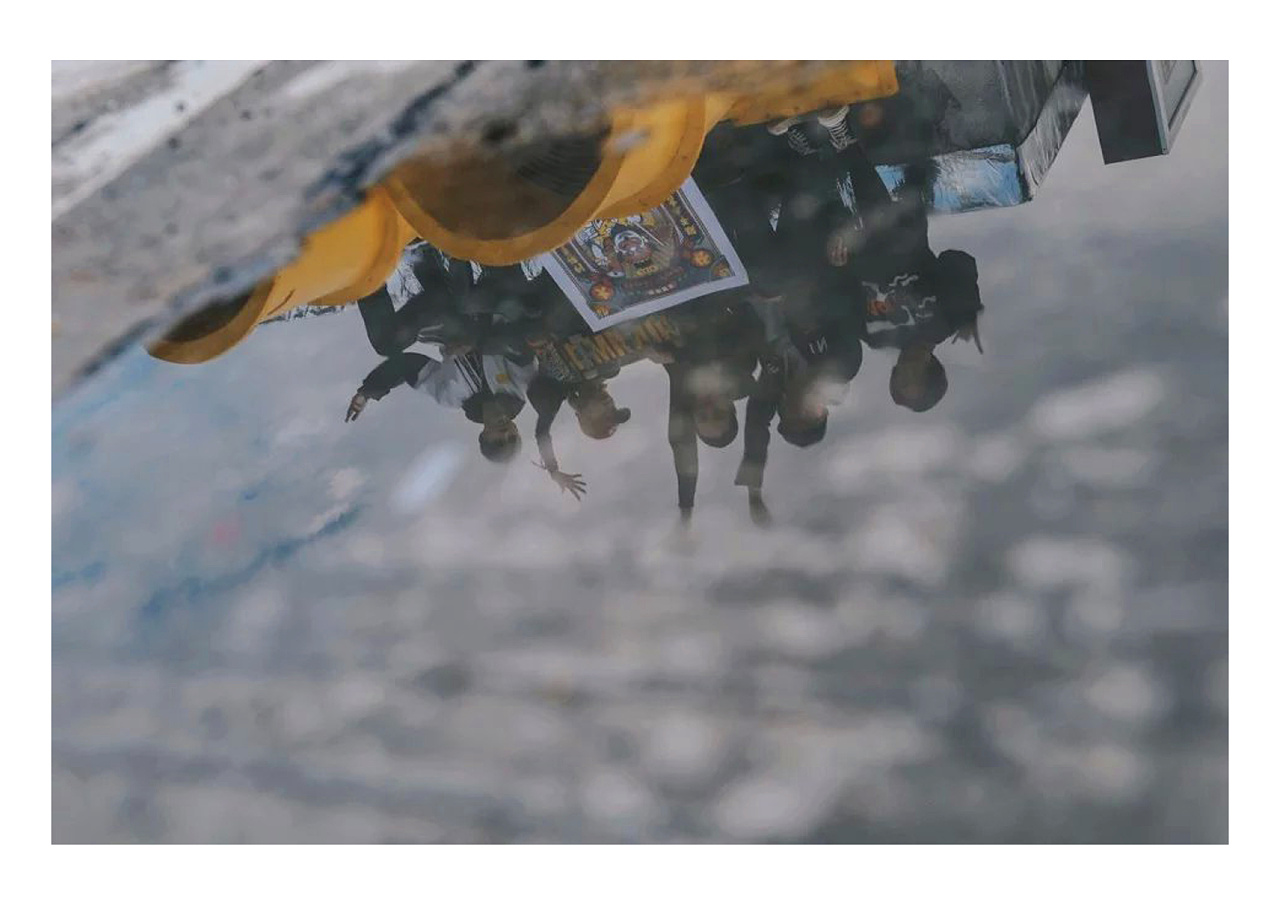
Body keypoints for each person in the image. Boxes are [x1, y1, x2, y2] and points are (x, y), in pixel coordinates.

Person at [819, 132, 984, 414]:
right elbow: (957, 261)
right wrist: (966, 303)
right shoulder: (947, 320)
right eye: (911, 379)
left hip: (850, 245)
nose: (902, 372)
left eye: (898, 379)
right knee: (893, 236)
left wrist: (837, 265)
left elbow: (840, 295)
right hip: (902, 235)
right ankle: (845, 141)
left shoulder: (876, 336)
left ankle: (813, 155)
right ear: (929, 369)